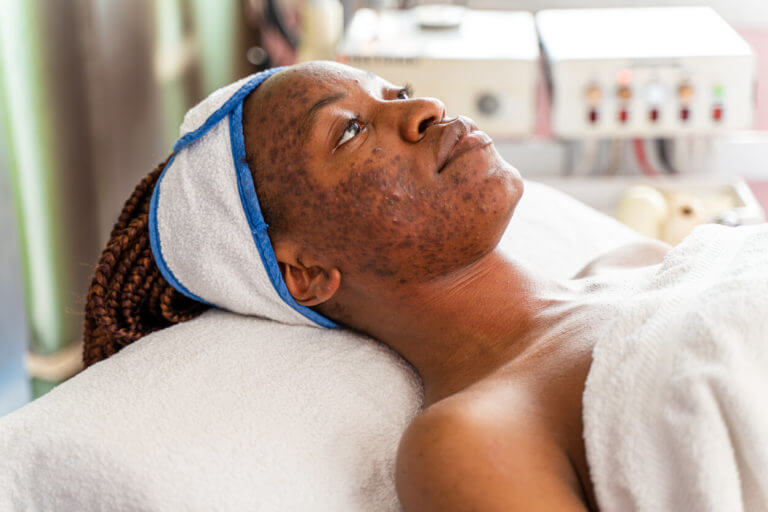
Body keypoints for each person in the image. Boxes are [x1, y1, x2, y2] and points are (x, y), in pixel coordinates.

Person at [83, 61, 671, 511]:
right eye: (349, 133)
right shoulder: (473, 440)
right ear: (305, 272)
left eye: (397, 92)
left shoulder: (638, 261)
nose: (425, 110)